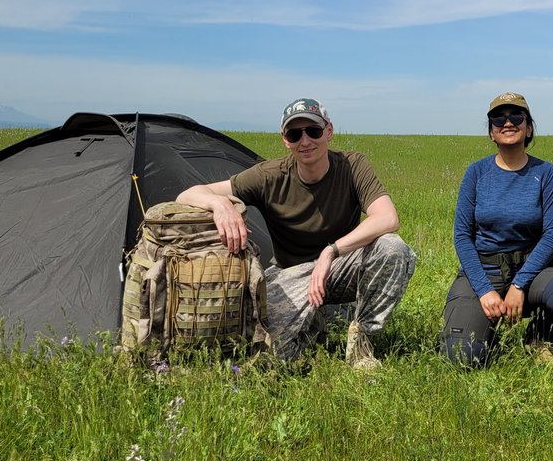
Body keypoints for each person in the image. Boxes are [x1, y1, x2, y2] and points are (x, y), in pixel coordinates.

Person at [176, 98, 415, 368]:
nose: (305, 141)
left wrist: (331, 251)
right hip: (291, 272)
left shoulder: (352, 165)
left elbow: (387, 218)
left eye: (313, 131)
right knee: (272, 358)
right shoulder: (269, 176)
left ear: (328, 131)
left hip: (340, 265)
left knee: (394, 249)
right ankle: (314, 323)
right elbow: (187, 194)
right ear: (285, 139)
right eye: (294, 134)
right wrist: (219, 205)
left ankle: (361, 342)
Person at [440, 92, 553, 366]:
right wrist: (485, 290)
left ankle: (539, 336)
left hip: (533, 273)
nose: (507, 122)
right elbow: (462, 236)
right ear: (491, 132)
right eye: (498, 118)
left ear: (529, 127)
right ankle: (487, 334)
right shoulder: (476, 174)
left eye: (516, 116)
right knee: (462, 357)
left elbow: (552, 235)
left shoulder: (546, 174)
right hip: (485, 271)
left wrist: (520, 284)